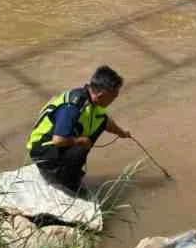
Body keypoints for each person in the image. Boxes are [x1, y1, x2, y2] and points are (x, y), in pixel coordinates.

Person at [26, 65, 131, 194]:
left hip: (54, 147)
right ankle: (65, 180)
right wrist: (80, 140)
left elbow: (105, 121)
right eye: (114, 96)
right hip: (42, 150)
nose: (115, 98)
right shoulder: (73, 105)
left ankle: (69, 171)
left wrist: (122, 133)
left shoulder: (93, 103)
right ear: (101, 94)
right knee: (83, 144)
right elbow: (58, 140)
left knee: (97, 127)